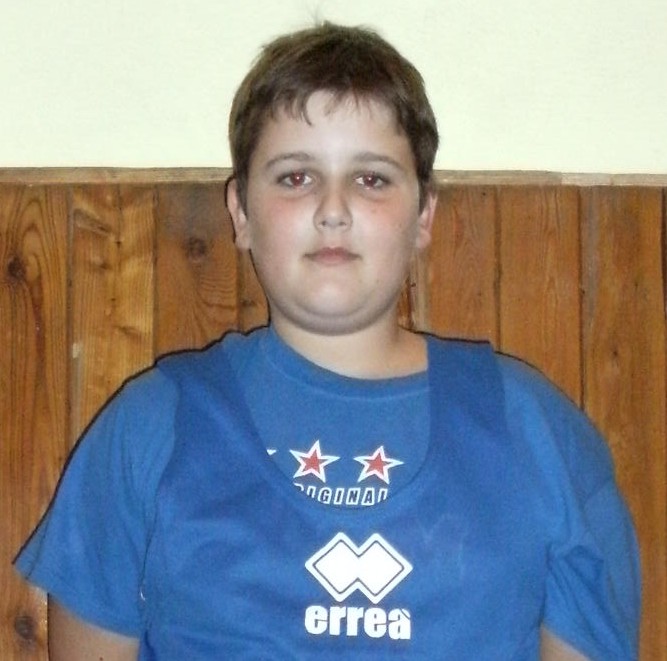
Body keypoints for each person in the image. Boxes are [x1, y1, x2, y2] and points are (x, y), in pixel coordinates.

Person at [15, 22, 640, 660]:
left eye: (371, 179)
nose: (333, 209)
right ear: (241, 213)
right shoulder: (150, 428)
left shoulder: (537, 433)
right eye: (296, 177)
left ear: (423, 215)